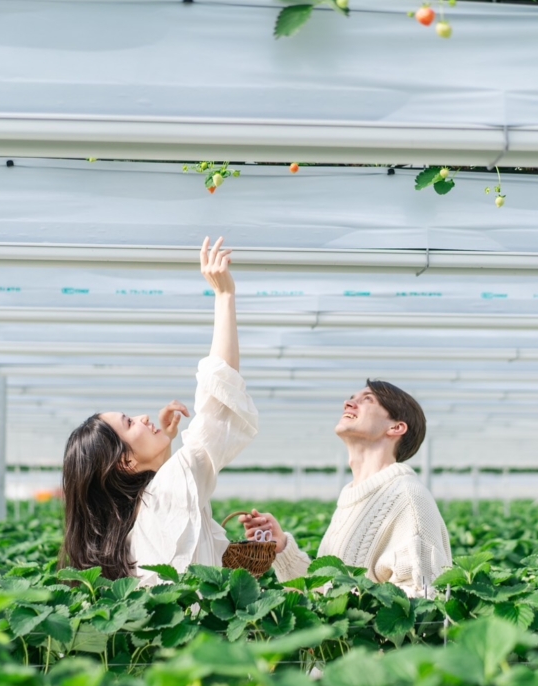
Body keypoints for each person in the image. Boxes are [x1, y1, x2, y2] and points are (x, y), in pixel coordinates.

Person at [59, 237, 257, 585]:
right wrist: (224, 296)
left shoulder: (140, 521)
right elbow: (217, 404)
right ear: (125, 462)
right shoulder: (164, 495)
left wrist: (164, 441)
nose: (145, 417)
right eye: (130, 423)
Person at [240, 381, 451, 597]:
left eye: (367, 399)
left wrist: (348, 608)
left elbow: (425, 599)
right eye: (352, 397)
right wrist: (282, 548)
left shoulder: (408, 497)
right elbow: (325, 591)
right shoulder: (354, 497)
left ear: (396, 427)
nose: (348, 403)